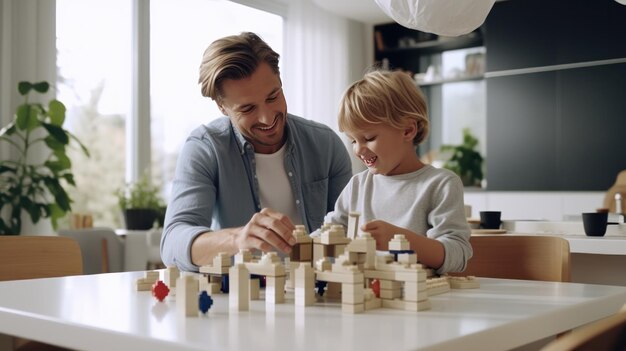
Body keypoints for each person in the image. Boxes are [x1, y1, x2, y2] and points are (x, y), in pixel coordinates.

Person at [161, 32, 352, 272]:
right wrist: (237, 239)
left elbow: (349, 231)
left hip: (316, 293)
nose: (267, 117)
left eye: (273, 96)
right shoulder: (204, 148)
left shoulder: (325, 144)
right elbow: (172, 244)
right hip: (244, 298)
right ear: (222, 107)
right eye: (248, 108)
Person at [320, 70, 472, 274]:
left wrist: (402, 240)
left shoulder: (440, 185)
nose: (357, 149)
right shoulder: (358, 185)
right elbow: (329, 233)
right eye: (353, 140)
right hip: (363, 296)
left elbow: (457, 254)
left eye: (369, 138)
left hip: (419, 300)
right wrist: (294, 240)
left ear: (408, 131)